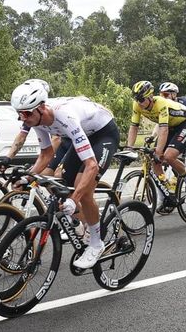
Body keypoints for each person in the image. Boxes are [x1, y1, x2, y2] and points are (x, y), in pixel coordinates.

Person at [8, 79, 120, 269]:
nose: (23, 119)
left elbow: (91, 165)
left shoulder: (65, 116)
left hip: (103, 134)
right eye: (19, 114)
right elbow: (46, 155)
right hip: (84, 135)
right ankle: (82, 222)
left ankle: (96, 244)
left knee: (84, 191)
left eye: (26, 113)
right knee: (60, 182)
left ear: (41, 108)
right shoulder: (37, 119)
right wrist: (27, 177)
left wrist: (74, 200)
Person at [125, 80, 186, 186]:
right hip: (170, 126)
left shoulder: (160, 103)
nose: (139, 102)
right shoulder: (137, 105)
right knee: (155, 161)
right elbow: (134, 127)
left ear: (150, 96)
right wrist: (129, 148)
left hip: (185, 124)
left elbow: (163, 129)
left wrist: (158, 152)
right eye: (136, 99)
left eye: (141, 99)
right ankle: (166, 188)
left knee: (168, 156)